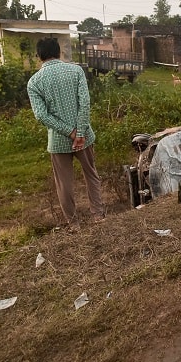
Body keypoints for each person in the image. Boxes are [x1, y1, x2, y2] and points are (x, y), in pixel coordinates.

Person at [27, 37, 105, 229]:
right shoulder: (76, 70)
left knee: (64, 184)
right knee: (91, 175)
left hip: (58, 141)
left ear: (39, 56)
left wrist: (69, 132)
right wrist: (79, 133)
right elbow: (85, 103)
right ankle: (98, 216)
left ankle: (74, 224)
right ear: (59, 52)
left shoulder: (34, 82)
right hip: (84, 136)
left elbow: (41, 116)